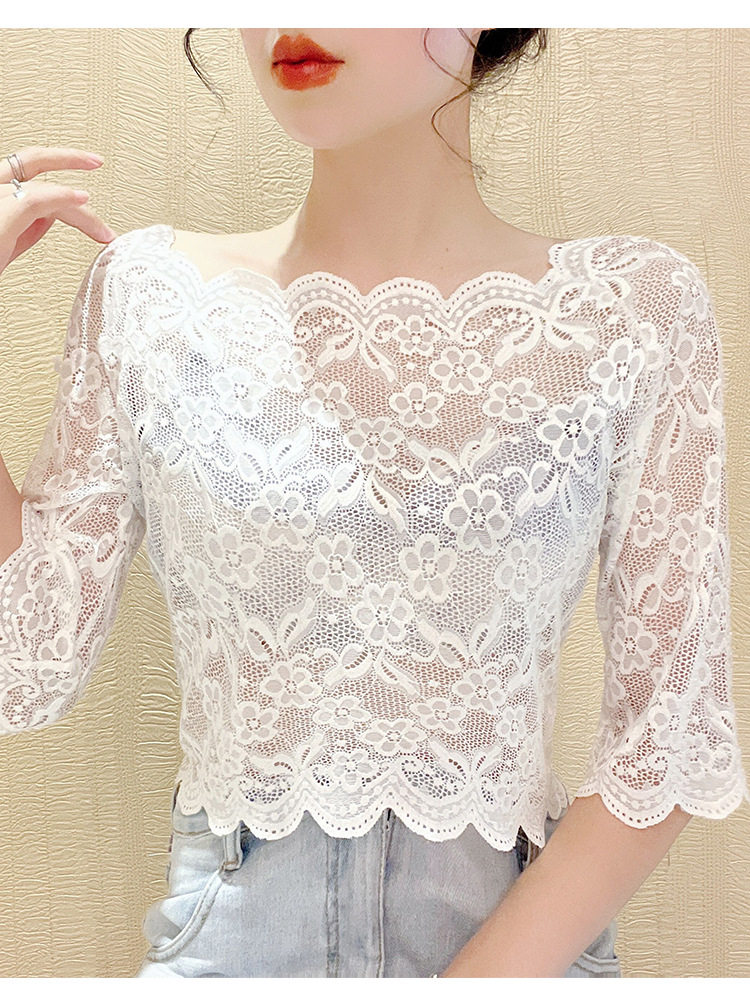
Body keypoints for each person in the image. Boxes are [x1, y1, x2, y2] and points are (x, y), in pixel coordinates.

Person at [0, 28, 748, 979]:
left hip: (514, 943)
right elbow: (25, 664)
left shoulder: (630, 313)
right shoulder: (150, 298)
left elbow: (669, 738)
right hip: (229, 943)